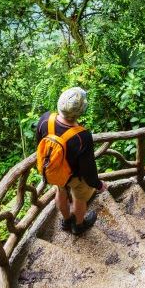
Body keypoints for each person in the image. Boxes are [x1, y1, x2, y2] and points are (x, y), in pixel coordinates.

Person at [35, 87, 104, 235]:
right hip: (75, 177)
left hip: (56, 173)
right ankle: (78, 226)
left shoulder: (45, 119)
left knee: (60, 191)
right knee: (79, 198)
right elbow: (88, 169)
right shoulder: (82, 136)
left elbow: (40, 146)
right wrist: (98, 185)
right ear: (80, 111)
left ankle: (66, 221)